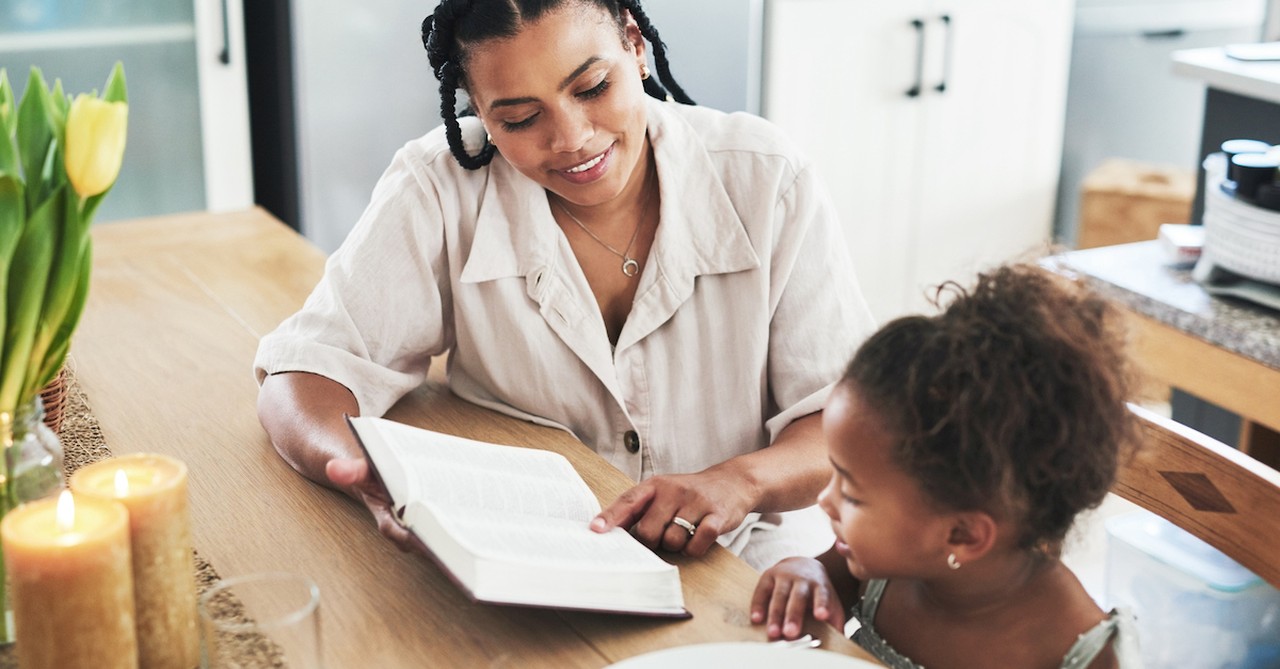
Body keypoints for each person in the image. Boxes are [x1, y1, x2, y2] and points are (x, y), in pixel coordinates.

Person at [253, 0, 874, 570]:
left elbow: (847, 429)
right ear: (478, 112)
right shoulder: (440, 189)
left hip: (746, 559)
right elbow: (305, 374)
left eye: (593, 87)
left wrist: (739, 481)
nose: (571, 138)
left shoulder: (767, 180)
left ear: (635, 45)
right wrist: (362, 473)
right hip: (526, 561)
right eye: (521, 119)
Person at [750, 265, 1143, 668]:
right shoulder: (879, 563)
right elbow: (824, 576)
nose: (825, 500)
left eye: (851, 493)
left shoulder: (1081, 653)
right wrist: (806, 573)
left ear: (963, 534)